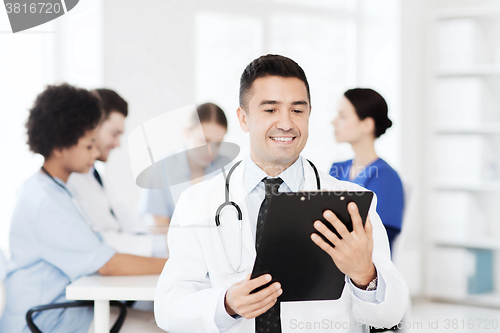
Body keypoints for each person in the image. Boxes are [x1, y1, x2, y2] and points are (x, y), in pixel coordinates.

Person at [154, 55, 408, 333]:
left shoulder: (351, 202)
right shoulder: (198, 202)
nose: (286, 123)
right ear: (243, 118)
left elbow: (391, 314)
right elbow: (168, 308)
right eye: (270, 110)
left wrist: (365, 275)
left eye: (297, 111)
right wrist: (226, 303)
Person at [0, 84, 167, 333]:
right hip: (46, 319)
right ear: (59, 147)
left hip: (65, 307)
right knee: (159, 326)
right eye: (88, 146)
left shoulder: (55, 190)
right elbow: (107, 264)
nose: (94, 153)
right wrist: (176, 263)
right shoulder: (45, 201)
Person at [67, 88, 165, 256]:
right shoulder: (71, 179)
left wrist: (164, 241)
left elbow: (125, 223)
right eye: (114, 134)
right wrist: (163, 244)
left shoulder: (95, 175)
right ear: (93, 126)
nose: (118, 143)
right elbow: (98, 239)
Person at [330, 88, 404, 250]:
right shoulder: (337, 169)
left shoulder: (386, 178)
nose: (333, 122)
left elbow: (381, 239)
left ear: (367, 125)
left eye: (342, 116)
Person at [142, 102, 228, 237]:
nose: (210, 151)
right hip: (171, 252)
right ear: (186, 132)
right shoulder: (162, 167)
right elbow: (159, 224)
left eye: (217, 143)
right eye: (204, 141)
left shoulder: (228, 169)